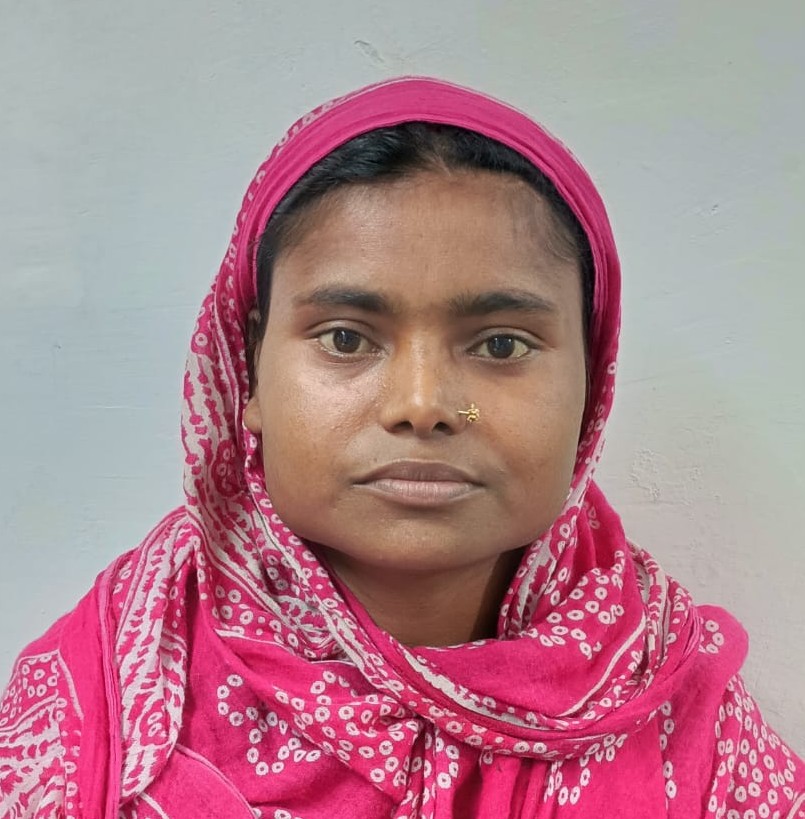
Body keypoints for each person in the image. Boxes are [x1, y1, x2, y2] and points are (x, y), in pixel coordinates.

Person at [0, 76, 802, 819]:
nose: (422, 405)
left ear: (592, 386)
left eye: (500, 344)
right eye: (346, 337)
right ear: (248, 369)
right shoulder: (99, 708)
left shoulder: (675, 705)